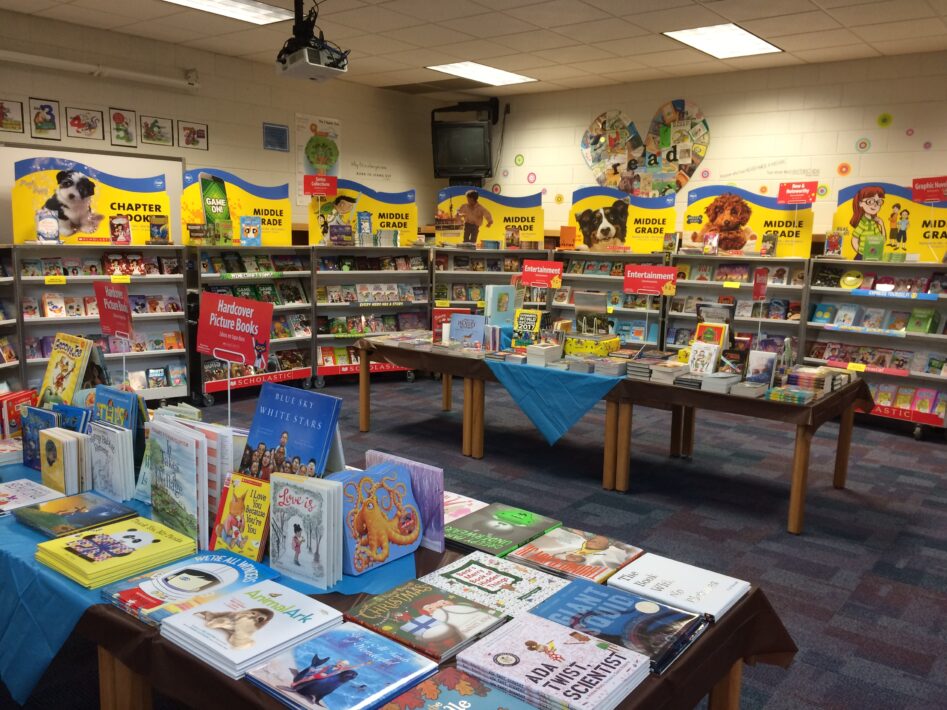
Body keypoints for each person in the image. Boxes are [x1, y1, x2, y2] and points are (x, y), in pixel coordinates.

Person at [848, 186, 886, 259]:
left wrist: (882, 225)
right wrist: (861, 253)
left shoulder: (873, 222)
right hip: (863, 256)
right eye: (870, 201)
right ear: (860, 203)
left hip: (873, 255)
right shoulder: (862, 223)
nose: (875, 205)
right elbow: (854, 240)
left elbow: (882, 240)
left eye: (879, 202)